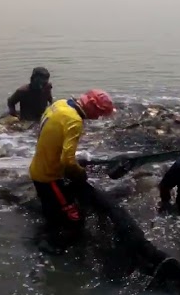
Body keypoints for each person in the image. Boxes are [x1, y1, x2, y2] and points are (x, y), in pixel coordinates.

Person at [29, 90, 115, 243]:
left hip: (37, 165)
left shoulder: (60, 104)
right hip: (49, 177)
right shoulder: (74, 120)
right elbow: (67, 161)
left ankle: (48, 230)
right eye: (99, 113)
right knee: (74, 218)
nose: (98, 117)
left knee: (50, 211)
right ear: (91, 106)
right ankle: (55, 247)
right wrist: (81, 173)